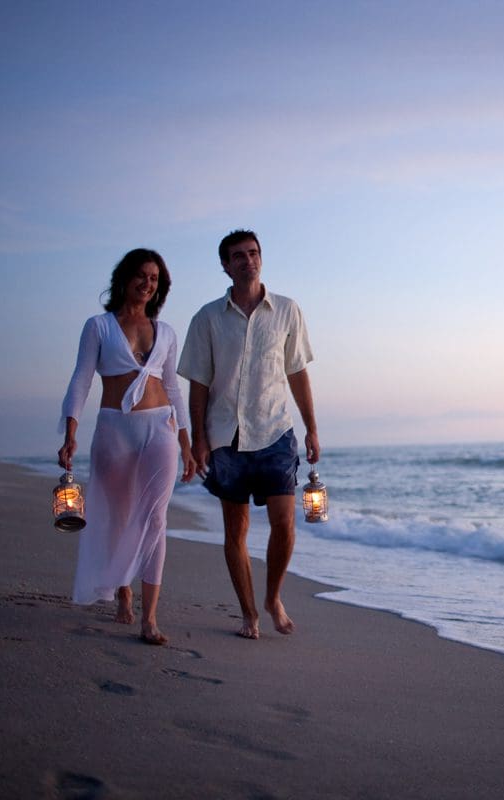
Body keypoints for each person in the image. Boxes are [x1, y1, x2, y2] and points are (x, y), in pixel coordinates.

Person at [178, 229, 319, 640]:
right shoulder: (206, 318)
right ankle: (248, 614)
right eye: (238, 256)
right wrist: (201, 439)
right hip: (226, 436)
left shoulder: (288, 310)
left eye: (253, 253)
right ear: (225, 265)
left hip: (276, 430)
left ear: (262, 258)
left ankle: (272, 597)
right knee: (235, 531)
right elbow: (199, 383)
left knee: (285, 524)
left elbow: (297, 372)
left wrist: (311, 428)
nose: (247, 260)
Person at [58, 248, 197, 646]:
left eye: (154, 279)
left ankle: (149, 618)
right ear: (123, 279)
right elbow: (81, 381)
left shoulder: (166, 332)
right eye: (140, 275)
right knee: (119, 518)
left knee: (155, 519)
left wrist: (186, 442)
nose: (147, 284)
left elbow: (174, 388)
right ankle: (123, 591)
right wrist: (71, 433)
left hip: (160, 428)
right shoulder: (99, 327)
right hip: (114, 431)